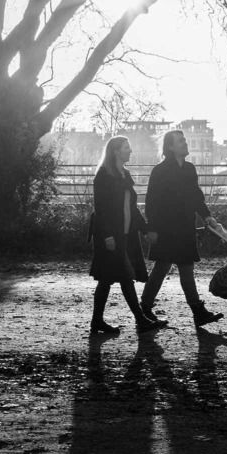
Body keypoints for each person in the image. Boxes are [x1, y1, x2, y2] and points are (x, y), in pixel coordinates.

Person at [140, 129, 224, 327]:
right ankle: (192, 311)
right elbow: (151, 201)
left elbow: (196, 196)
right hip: (166, 227)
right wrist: (151, 228)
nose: (185, 143)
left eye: (184, 140)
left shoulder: (189, 169)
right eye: (181, 141)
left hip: (185, 227)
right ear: (170, 146)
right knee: (167, 268)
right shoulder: (159, 171)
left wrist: (207, 216)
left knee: (175, 268)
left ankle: (148, 307)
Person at [89, 136, 166, 335]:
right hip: (111, 236)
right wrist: (107, 236)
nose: (130, 151)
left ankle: (97, 321)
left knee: (107, 279)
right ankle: (140, 319)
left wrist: (144, 229)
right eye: (126, 147)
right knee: (124, 277)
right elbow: (101, 209)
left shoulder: (124, 174)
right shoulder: (104, 175)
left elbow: (131, 209)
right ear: (116, 151)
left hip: (124, 235)